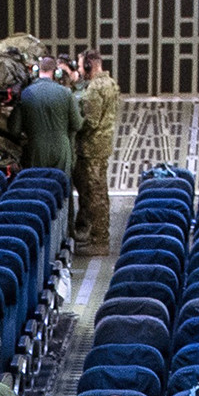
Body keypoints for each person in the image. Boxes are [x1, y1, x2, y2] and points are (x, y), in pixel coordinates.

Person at [76, 50, 120, 248]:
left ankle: (99, 240)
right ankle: (99, 236)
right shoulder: (110, 83)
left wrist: (74, 125)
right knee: (100, 192)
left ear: (89, 65)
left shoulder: (94, 88)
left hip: (92, 147)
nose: (79, 69)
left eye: (80, 65)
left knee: (95, 194)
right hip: (102, 145)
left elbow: (90, 122)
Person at [17, 56, 82, 174]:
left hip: (36, 149)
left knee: (40, 186)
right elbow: (77, 124)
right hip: (61, 149)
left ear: (36, 72)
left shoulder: (25, 94)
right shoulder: (66, 93)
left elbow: (15, 129)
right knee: (61, 186)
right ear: (56, 73)